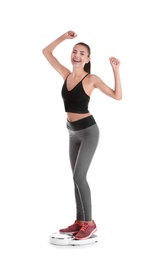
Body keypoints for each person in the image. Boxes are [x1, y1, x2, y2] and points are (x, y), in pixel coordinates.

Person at [42, 30, 122, 240]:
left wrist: (116, 70)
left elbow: (117, 96)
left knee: (80, 176)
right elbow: (46, 52)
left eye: (82, 53)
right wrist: (63, 37)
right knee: (75, 178)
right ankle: (79, 221)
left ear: (87, 59)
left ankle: (90, 223)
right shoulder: (65, 74)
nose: (76, 55)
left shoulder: (91, 79)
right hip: (72, 132)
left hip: (88, 132)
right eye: (74, 51)